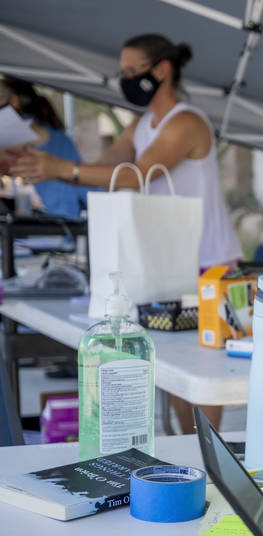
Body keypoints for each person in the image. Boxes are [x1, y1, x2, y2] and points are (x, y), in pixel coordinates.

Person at [11, 34, 242, 433]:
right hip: (170, 261)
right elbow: (102, 171)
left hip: (209, 263)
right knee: (172, 371)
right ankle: (189, 455)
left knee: (201, 376)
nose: (126, 79)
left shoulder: (186, 121)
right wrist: (40, 159)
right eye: (123, 72)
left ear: (162, 70)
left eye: (133, 71)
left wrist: (61, 169)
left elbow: (135, 176)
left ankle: (207, 457)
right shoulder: (141, 126)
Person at [0, 77, 89, 218]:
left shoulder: (27, 129)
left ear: (14, 100)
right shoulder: (43, 127)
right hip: (72, 207)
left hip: (71, 211)